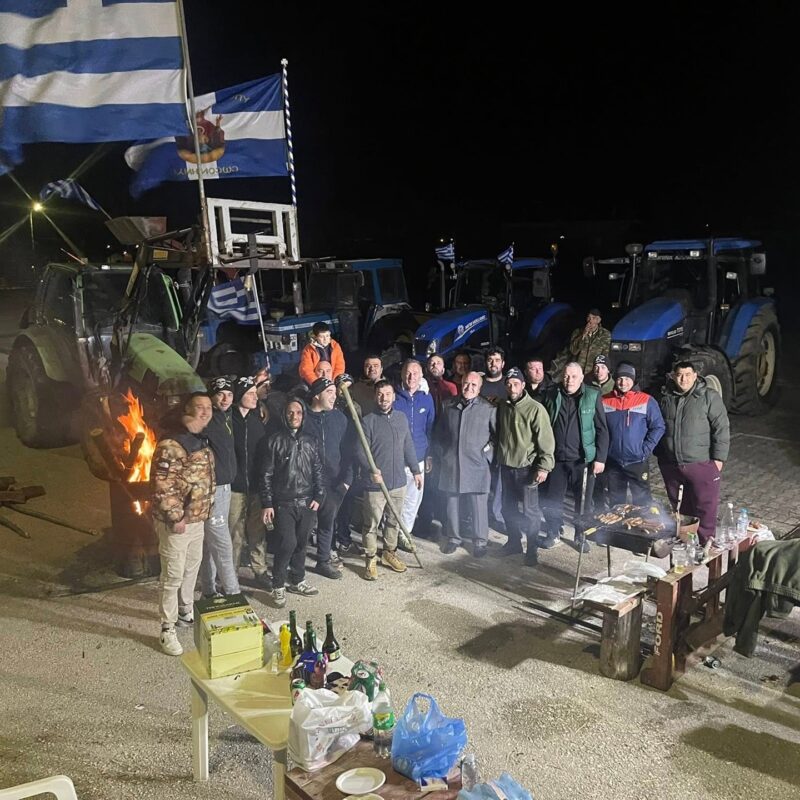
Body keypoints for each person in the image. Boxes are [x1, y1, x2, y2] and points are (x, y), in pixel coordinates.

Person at [151, 393, 215, 656]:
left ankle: (185, 610)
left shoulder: (200, 440)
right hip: (177, 524)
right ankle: (167, 628)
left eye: (208, 407)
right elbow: (162, 485)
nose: (205, 412)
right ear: (186, 411)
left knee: (191, 568)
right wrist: (175, 517)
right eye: (199, 407)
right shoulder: (172, 444)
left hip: (196, 520)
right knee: (173, 576)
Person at [656, 360, 730, 544]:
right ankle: (686, 542)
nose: (684, 379)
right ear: (674, 376)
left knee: (705, 507)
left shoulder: (708, 397)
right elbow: (657, 425)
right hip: (672, 464)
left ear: (695, 376)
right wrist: (661, 456)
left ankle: (706, 543)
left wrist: (718, 459)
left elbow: (721, 428)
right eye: (680, 375)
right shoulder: (665, 397)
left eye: (688, 375)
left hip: (700, 463)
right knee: (681, 508)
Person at [260, 399, 325, 607]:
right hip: (284, 503)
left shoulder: (310, 440)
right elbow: (266, 474)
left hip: (307, 502)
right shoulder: (274, 441)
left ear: (303, 415)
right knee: (287, 543)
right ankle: (278, 584)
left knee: (302, 542)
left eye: (298, 412)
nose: (294, 416)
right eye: (290, 412)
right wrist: (267, 502)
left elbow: (317, 469)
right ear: (284, 415)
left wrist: (319, 495)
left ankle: (297, 579)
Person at [356, 380, 422, 580]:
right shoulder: (368, 421)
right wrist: (371, 470)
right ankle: (370, 559)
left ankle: (389, 553)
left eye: (387, 394)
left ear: (394, 396)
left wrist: (416, 470)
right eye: (380, 394)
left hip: (398, 482)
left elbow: (408, 445)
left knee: (393, 522)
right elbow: (360, 452)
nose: (384, 398)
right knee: (371, 524)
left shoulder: (401, 418)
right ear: (375, 396)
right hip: (376, 484)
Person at [541, 362, 609, 553]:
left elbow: (602, 429)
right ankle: (553, 532)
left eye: (573, 376)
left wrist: (600, 458)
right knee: (553, 500)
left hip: (583, 460)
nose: (569, 380)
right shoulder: (552, 394)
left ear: (581, 378)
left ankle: (580, 536)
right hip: (557, 459)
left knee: (583, 502)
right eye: (566, 376)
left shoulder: (592, 395)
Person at [495, 368, 555, 566]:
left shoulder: (535, 409)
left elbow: (546, 440)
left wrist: (544, 467)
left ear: (523, 385)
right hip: (507, 466)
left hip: (526, 469)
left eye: (516, 384)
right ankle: (514, 542)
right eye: (509, 384)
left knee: (531, 512)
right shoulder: (503, 406)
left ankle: (531, 550)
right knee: (507, 508)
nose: (512, 388)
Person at [434, 372, 497, 557]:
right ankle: (454, 538)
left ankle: (480, 542)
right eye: (466, 383)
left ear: (480, 388)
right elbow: (439, 432)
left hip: (477, 464)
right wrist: (443, 453)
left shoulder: (488, 409)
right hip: (452, 462)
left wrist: (486, 456)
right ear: (461, 384)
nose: (469, 388)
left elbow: (497, 437)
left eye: (473, 385)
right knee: (452, 502)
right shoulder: (448, 405)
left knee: (478, 505)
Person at [198, 377, 241, 599]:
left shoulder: (226, 416)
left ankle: (209, 590)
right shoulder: (207, 419)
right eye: (220, 394)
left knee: (211, 542)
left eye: (229, 394)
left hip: (226, 487)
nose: (225, 399)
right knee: (222, 543)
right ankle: (233, 593)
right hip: (213, 488)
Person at [305, 377, 351, 579]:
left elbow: (348, 451)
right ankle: (296, 566)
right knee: (304, 527)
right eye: (329, 392)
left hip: (334, 484)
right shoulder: (303, 418)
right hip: (309, 485)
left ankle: (323, 562)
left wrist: (347, 481)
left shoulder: (340, 418)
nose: (334, 396)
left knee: (327, 524)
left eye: (334, 392)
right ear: (317, 395)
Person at [601, 362, 665, 506]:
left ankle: (643, 520)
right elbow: (599, 428)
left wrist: (645, 449)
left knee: (643, 503)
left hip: (637, 461)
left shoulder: (646, 401)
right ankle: (617, 521)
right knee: (616, 503)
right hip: (614, 461)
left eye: (627, 379)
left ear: (633, 380)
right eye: (620, 379)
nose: (623, 383)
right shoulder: (605, 400)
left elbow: (658, 426)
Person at [230, 376, 269, 589]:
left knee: (257, 531)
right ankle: (231, 575)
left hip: (255, 487)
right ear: (240, 396)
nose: (255, 397)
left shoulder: (257, 422)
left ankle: (260, 570)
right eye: (250, 393)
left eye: (255, 393)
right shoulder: (228, 422)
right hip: (235, 488)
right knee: (234, 533)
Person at [393, 359, 435, 538]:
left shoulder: (426, 398)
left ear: (421, 375)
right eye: (408, 373)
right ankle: (391, 532)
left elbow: (430, 428)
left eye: (415, 373)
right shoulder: (393, 396)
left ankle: (405, 533)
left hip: (418, 457)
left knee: (413, 498)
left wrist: (429, 454)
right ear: (402, 374)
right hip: (396, 457)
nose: (411, 377)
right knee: (394, 498)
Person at [553, 309, 612, 376]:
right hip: (578, 370)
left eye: (593, 318)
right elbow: (573, 351)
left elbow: (604, 355)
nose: (590, 321)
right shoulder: (577, 332)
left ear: (598, 320)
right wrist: (583, 335)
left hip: (593, 371)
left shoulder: (605, 334)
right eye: (589, 317)